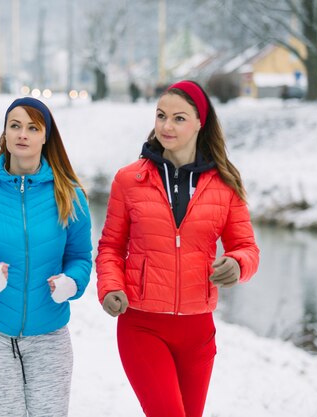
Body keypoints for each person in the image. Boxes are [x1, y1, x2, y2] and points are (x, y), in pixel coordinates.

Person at [95, 80, 260, 417]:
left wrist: (238, 263)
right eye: (161, 115)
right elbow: (110, 247)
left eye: (179, 118)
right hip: (142, 325)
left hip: (198, 331)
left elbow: (246, 247)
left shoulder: (226, 183)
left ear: (201, 121)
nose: (167, 126)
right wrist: (110, 286)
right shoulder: (129, 179)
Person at [0, 97, 92, 417]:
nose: (22, 133)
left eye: (32, 127)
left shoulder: (70, 196)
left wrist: (72, 283)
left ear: (44, 137)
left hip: (49, 336)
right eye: (15, 125)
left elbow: (80, 257)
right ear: (5, 134)